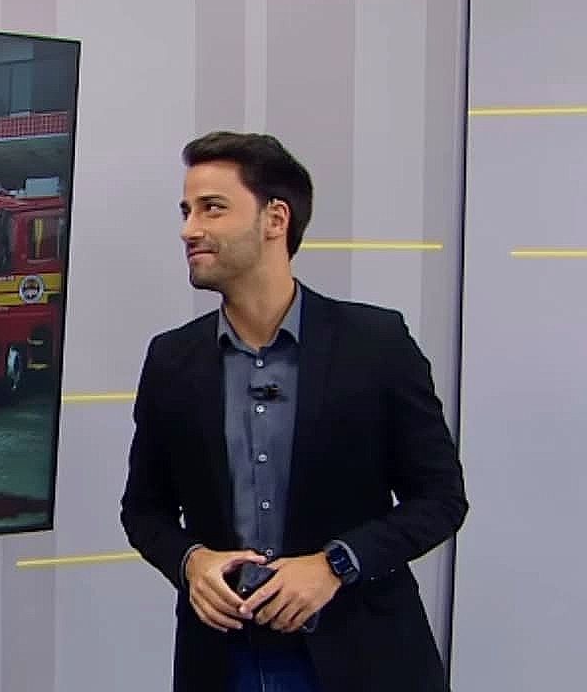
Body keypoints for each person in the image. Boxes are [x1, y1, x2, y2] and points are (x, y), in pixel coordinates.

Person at [119, 131, 468, 691]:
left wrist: (336, 565)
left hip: (363, 659)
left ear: (275, 219)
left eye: (212, 208)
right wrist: (192, 561)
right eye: (186, 211)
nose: (189, 229)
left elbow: (441, 499)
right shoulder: (172, 359)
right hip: (223, 663)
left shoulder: (376, 344)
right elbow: (144, 511)